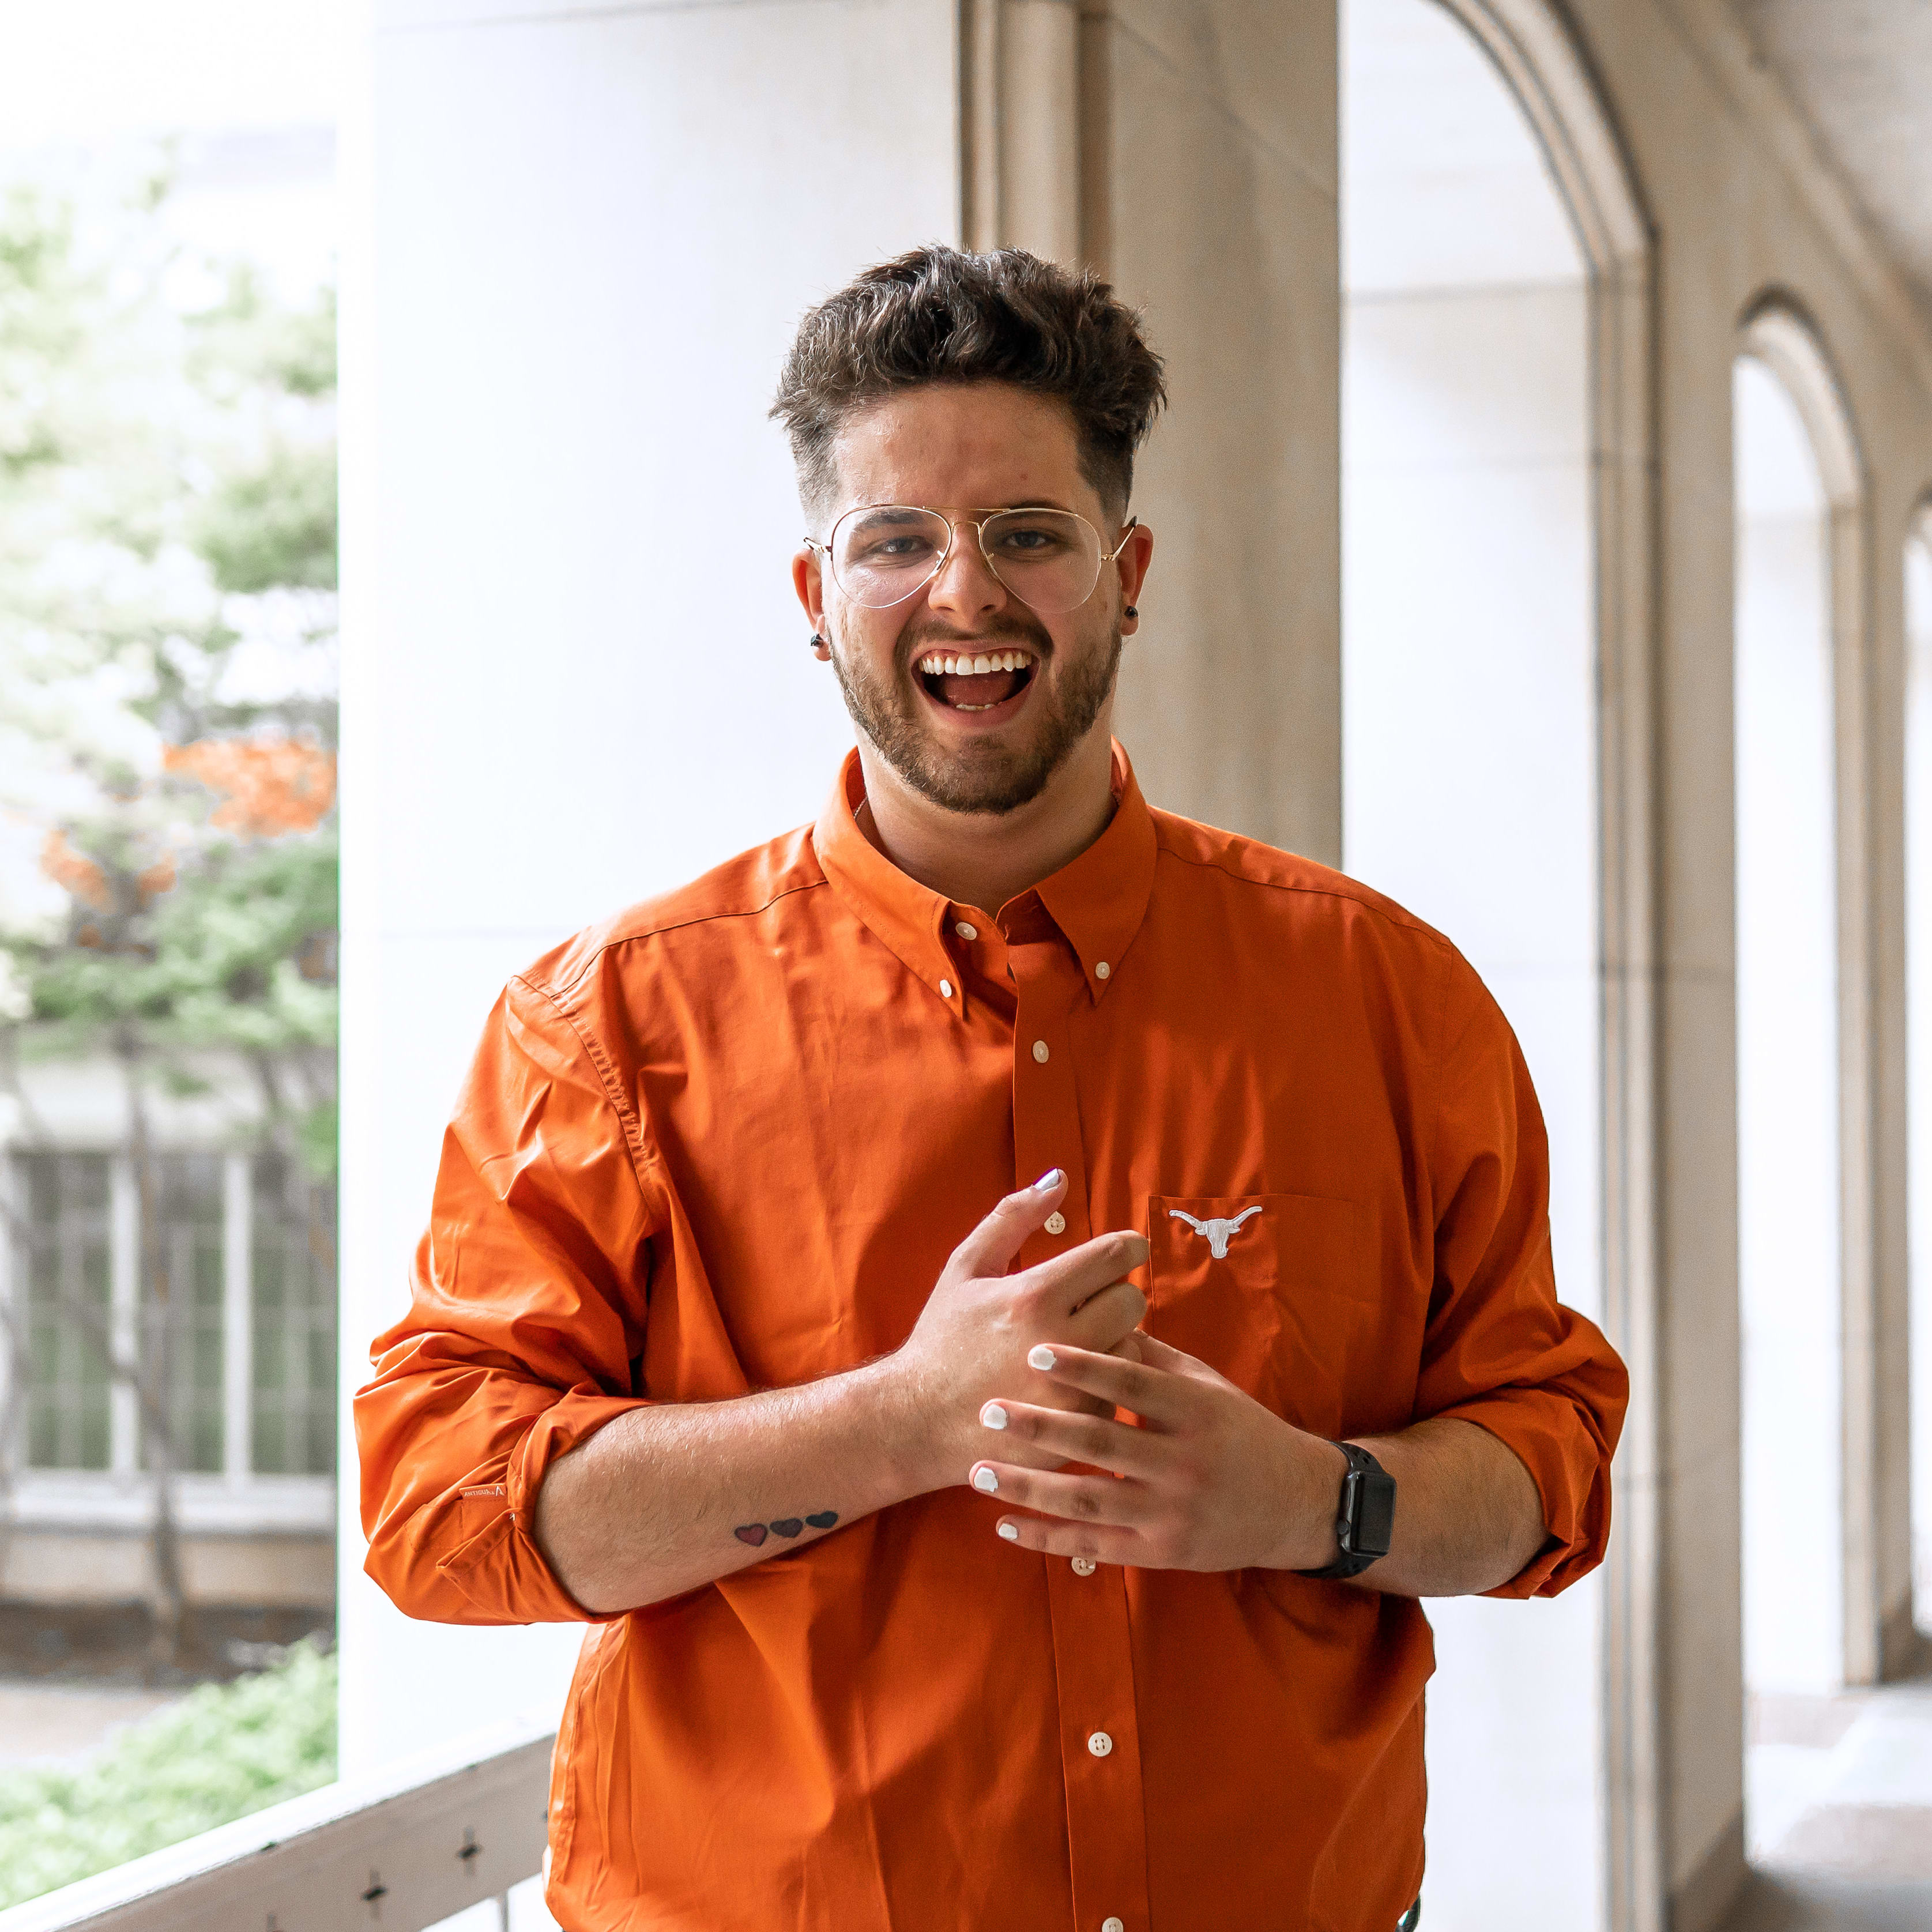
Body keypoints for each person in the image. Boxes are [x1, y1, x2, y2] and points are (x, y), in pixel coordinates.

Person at [356, 245, 1628, 1932]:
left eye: (1029, 532)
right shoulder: (609, 1023)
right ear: (816, 598)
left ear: (1128, 573)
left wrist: (1303, 1501)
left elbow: (1553, 1465)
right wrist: (902, 1422)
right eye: (895, 540)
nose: (966, 593)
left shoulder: (1387, 998)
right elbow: (439, 1510)